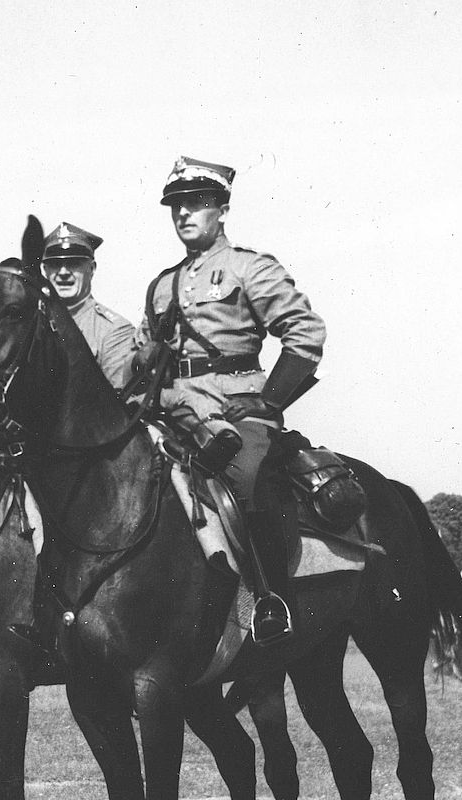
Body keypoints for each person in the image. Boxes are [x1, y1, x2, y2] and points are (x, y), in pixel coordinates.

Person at [133, 156, 326, 645]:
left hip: (239, 406)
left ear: (221, 208)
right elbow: (142, 354)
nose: (184, 213)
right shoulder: (161, 286)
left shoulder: (249, 268)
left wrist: (269, 402)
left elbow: (304, 333)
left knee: (245, 479)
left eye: (196, 203)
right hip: (174, 410)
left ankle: (271, 601)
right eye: (176, 205)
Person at [41, 223, 136, 388]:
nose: (63, 272)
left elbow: (117, 405)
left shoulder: (113, 330)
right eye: (55, 264)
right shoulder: (31, 322)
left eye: (74, 263)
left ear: (91, 269)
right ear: (45, 270)